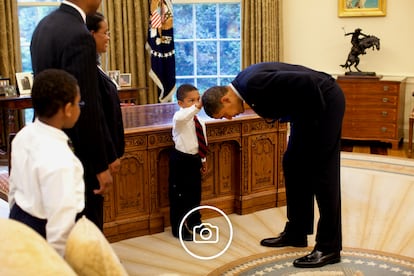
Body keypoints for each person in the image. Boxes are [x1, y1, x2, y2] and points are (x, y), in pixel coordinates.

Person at [202, 62, 345, 268]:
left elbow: (309, 81)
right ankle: (297, 231)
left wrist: (316, 124)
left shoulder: (253, 83)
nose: (230, 117)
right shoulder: (246, 86)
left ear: (225, 99)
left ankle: (329, 248)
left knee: (323, 174)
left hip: (325, 103)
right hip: (307, 110)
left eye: (225, 114)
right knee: (293, 163)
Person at [30, 0, 118, 231]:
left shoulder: (43, 25)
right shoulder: (78, 34)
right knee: (84, 229)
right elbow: (86, 105)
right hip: (76, 153)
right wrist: (100, 164)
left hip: (46, 142)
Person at [8, 69, 84, 256]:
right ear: (67, 109)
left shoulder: (23, 135)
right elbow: (61, 221)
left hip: (19, 217)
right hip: (44, 231)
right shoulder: (61, 159)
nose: (79, 108)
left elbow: (14, 189)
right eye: (78, 103)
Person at [169, 84, 208, 241]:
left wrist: (203, 159)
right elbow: (184, 116)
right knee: (179, 196)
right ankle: (178, 227)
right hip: (181, 160)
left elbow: (202, 139)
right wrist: (197, 106)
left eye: (197, 99)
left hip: (194, 160)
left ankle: (194, 222)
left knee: (194, 194)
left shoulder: (199, 120)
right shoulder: (179, 118)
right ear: (180, 103)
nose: (195, 103)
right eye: (191, 100)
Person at [86, 12, 125, 168]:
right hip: (101, 157)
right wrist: (107, 155)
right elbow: (96, 117)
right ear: (91, 34)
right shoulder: (87, 70)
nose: (108, 38)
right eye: (105, 33)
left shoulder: (95, 65)